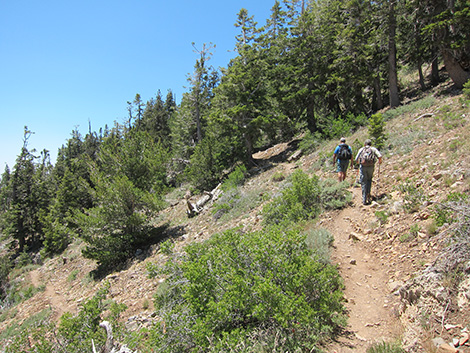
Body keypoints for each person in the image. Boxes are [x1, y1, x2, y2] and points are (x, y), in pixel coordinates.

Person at [355, 139, 382, 205]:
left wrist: (360, 163)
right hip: (371, 166)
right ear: (370, 144)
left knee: (363, 182)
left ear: (365, 144)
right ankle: (368, 195)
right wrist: (379, 161)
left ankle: (364, 199)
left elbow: (356, 159)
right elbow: (379, 156)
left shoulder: (361, 149)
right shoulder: (373, 149)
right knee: (369, 180)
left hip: (363, 167)